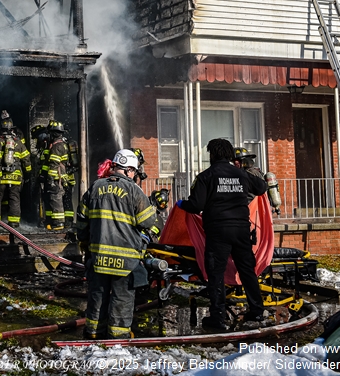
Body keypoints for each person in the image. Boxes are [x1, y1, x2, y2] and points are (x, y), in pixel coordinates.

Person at [176, 138, 268, 331]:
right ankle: (257, 311)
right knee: (247, 270)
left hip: (218, 231)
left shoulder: (205, 176)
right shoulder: (241, 174)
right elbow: (261, 188)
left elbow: (196, 206)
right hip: (242, 230)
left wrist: (181, 204)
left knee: (215, 274)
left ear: (212, 155)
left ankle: (217, 318)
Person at [77, 149, 158, 340]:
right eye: (134, 172)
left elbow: (81, 222)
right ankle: (117, 339)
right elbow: (147, 222)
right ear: (130, 170)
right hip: (125, 260)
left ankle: (93, 334)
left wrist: (85, 244)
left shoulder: (95, 187)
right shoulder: (134, 191)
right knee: (122, 299)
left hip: (98, 258)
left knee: (98, 297)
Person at [0, 116, 31, 228]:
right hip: (16, 176)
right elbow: (26, 160)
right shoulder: (18, 143)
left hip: (1, 176)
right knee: (14, 198)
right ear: (12, 129)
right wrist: (28, 173)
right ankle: (14, 222)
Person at [41, 120, 69, 230]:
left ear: (54, 133)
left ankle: (58, 223)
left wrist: (51, 179)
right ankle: (52, 222)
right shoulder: (61, 144)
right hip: (59, 177)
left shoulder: (57, 147)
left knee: (56, 199)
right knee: (51, 199)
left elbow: (53, 164)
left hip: (57, 178)